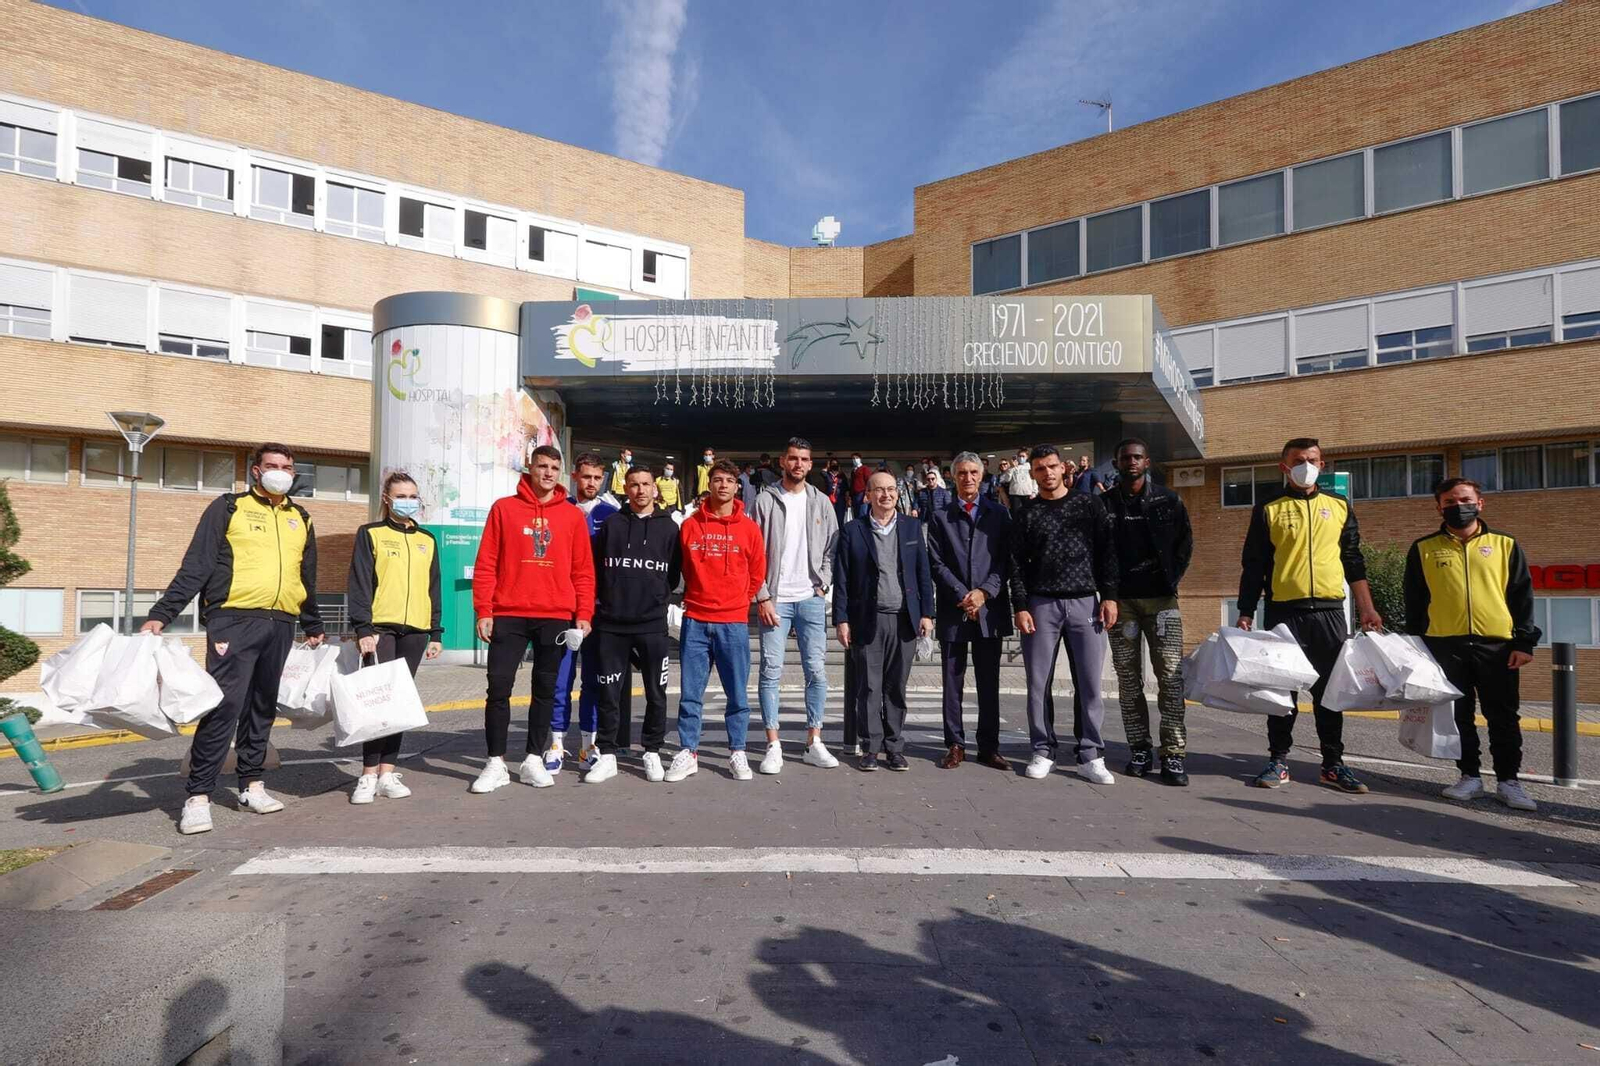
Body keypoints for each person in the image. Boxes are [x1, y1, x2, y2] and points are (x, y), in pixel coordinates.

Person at [143, 442, 325, 835]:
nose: (281, 472)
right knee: (224, 706)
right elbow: (196, 565)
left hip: (281, 622)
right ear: (255, 471)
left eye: (288, 467)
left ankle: (251, 785)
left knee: (262, 708)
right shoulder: (228, 508)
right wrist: (162, 614)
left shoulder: (301, 518)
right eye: (272, 465)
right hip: (233, 619)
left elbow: (305, 577)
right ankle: (198, 797)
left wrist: (313, 623)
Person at [1237, 436, 1383, 793]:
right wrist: (1245, 611)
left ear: (1323, 464)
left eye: (1313, 459)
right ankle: (1278, 760)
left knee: (1329, 694)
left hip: (1331, 612)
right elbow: (1254, 564)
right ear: (1284, 467)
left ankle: (1333, 765)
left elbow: (1353, 560)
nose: (1307, 465)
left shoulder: (1339, 506)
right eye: (1300, 459)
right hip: (1285, 611)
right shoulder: (1268, 507)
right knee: (1282, 692)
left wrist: (1367, 608)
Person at [1404, 478, 1541, 812]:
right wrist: (1417, 646)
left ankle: (1509, 782)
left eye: (1464, 499)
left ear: (1480, 503)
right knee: (1458, 716)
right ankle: (1469, 777)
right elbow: (1415, 602)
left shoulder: (1505, 545)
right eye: (1449, 501)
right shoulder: (1424, 548)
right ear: (1439, 507)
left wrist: (1525, 642)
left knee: (1503, 717)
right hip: (1444, 645)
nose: (1457, 505)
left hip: (1498, 646)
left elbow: (1521, 596)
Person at [470, 443, 596, 793]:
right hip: (508, 613)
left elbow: (583, 570)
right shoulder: (504, 509)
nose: (548, 474)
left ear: (560, 473)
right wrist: (484, 610)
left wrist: (583, 614)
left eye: (554, 469)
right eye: (542, 467)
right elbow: (486, 564)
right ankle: (495, 762)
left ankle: (533, 759)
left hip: (555, 615)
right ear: (530, 468)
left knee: (546, 691)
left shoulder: (571, 516)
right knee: (498, 687)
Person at [1009, 444, 1119, 784]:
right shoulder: (1026, 513)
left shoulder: (1088, 504)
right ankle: (1042, 749)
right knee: (1038, 684)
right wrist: (1021, 606)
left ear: (1064, 468)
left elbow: (1107, 552)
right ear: (1032, 474)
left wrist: (1110, 596)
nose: (1048, 473)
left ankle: (1090, 754)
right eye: (1040, 469)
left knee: (1089, 683)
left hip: (1086, 601)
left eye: (1052, 466)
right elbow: (1015, 564)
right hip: (1042, 604)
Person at [666, 459, 767, 783]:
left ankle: (737, 750)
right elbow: (680, 567)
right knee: (690, 694)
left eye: (728, 480)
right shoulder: (691, 525)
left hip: (733, 623)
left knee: (737, 694)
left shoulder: (749, 529)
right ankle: (689, 751)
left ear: (738, 486)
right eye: (717, 480)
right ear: (708, 484)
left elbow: (757, 572)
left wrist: (741, 600)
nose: (723, 485)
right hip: (695, 619)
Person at [346, 471, 443, 804]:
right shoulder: (370, 534)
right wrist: (363, 629)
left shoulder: (427, 540)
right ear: (387, 499)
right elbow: (359, 585)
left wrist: (435, 632)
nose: (408, 501)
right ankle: (367, 775)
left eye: (413, 496)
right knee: (378, 701)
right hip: (380, 629)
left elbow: (434, 588)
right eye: (401, 495)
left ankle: (388, 773)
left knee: (399, 704)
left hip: (415, 631)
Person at [1101, 439, 1193, 786]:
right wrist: (1107, 594)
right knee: (1128, 680)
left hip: (1162, 601)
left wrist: (1171, 579)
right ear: (1116, 462)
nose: (1132, 462)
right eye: (1126, 457)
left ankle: (1173, 755)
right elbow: (1099, 551)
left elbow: (1186, 544)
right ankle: (1139, 749)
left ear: (1147, 461)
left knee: (1170, 677)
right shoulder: (1105, 504)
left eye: (1137, 457)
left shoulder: (1168, 500)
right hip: (1121, 603)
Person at [586, 465, 682, 785]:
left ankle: (652, 751)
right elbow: (596, 570)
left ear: (655, 488)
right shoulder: (611, 525)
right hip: (611, 624)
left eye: (645, 484)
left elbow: (673, 575)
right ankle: (609, 754)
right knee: (608, 693)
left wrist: (656, 599)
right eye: (633, 485)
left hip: (652, 624)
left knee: (657, 692)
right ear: (625, 489)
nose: (640, 490)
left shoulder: (670, 529)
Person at [834, 471, 934, 772]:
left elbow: (923, 574)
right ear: (869, 495)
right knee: (868, 688)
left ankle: (894, 746)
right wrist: (841, 619)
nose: (886, 495)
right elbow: (842, 578)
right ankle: (870, 747)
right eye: (879, 490)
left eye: (891, 489)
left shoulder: (912, 527)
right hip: (867, 619)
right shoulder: (853, 531)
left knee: (896, 688)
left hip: (904, 619)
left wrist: (927, 613)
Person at [751, 437, 841, 774]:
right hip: (775, 598)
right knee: (770, 672)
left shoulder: (821, 502)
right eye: (793, 458)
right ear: (782, 461)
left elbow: (833, 546)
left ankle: (813, 740)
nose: (799, 464)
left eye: (804, 459)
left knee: (816, 672)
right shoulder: (764, 500)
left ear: (811, 463)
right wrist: (762, 595)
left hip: (810, 598)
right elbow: (753, 552)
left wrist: (823, 583)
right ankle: (773, 744)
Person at [926, 452, 1012, 771]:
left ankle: (989, 747)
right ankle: (955, 744)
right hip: (954, 609)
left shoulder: (999, 514)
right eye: (962, 473)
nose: (968, 478)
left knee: (989, 681)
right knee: (952, 682)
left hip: (989, 609)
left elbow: (1005, 561)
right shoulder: (939, 517)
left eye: (974, 472)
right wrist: (964, 594)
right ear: (953, 477)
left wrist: (983, 593)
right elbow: (936, 563)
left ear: (983, 474)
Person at [548, 452, 620, 774]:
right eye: (586, 476)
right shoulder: (559, 511)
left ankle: (588, 745)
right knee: (560, 678)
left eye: (597, 477)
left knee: (593, 679)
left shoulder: (613, 513)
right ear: (574, 476)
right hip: (562, 607)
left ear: (603, 478)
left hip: (599, 612)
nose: (591, 483)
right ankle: (556, 743)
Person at [849, 453, 871, 518]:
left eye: (857, 458)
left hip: (862, 494)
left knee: (862, 514)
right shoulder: (853, 471)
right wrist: (850, 497)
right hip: (854, 496)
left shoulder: (864, 468)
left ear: (860, 459)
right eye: (853, 458)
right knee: (855, 515)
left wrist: (867, 495)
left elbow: (869, 481)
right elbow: (852, 484)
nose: (855, 460)